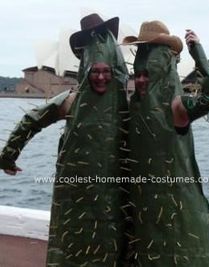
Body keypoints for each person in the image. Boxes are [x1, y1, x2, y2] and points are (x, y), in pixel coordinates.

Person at [0, 13, 130, 267]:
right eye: (95, 71)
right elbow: (31, 121)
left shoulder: (125, 104)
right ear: (85, 67)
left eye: (107, 71)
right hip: (74, 197)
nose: (101, 77)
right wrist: (8, 157)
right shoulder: (71, 100)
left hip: (115, 195)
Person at [122, 21, 209, 266]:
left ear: (162, 70)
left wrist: (197, 52)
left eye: (148, 74)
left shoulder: (177, 106)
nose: (142, 80)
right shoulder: (134, 107)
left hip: (180, 213)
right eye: (139, 75)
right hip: (145, 216)